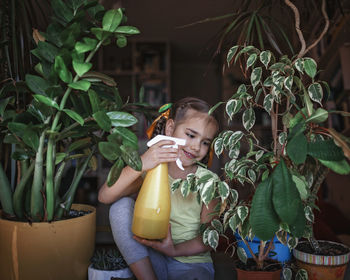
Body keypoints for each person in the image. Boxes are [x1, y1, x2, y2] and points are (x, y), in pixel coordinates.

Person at [98, 97, 220, 280]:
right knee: (120, 207)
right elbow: (104, 196)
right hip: (151, 260)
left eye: (205, 142)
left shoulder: (208, 181)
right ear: (170, 128)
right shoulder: (152, 169)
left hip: (191, 264)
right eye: (191, 135)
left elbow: (211, 236)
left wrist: (173, 250)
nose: (196, 147)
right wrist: (141, 163)